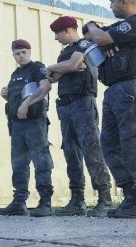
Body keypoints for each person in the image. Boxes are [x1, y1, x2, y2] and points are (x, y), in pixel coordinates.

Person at [83, 0, 136, 219]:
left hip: (132, 86)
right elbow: (93, 37)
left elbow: (99, 37)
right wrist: (98, 34)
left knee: (135, 141)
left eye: (113, 2)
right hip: (115, 89)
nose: (111, 6)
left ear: (125, 2)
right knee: (109, 142)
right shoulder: (121, 27)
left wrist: (97, 31)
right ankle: (131, 195)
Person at [46, 16, 113, 217]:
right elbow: (53, 77)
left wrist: (57, 67)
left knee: (91, 148)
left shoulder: (84, 43)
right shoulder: (64, 53)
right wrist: (61, 67)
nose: (56, 38)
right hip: (65, 106)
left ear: (67, 30)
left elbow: (73, 66)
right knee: (70, 151)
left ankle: (105, 198)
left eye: (57, 34)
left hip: (82, 102)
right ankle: (77, 199)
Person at [0, 39, 54, 217]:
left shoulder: (37, 68)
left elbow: (46, 87)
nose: (20, 56)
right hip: (17, 125)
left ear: (29, 52)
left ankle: (45, 202)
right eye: (17, 53)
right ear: (13, 55)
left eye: (23, 52)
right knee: (19, 164)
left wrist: (26, 104)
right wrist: (7, 96)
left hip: (35, 122)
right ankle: (19, 203)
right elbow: (18, 100)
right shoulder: (15, 74)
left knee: (41, 162)